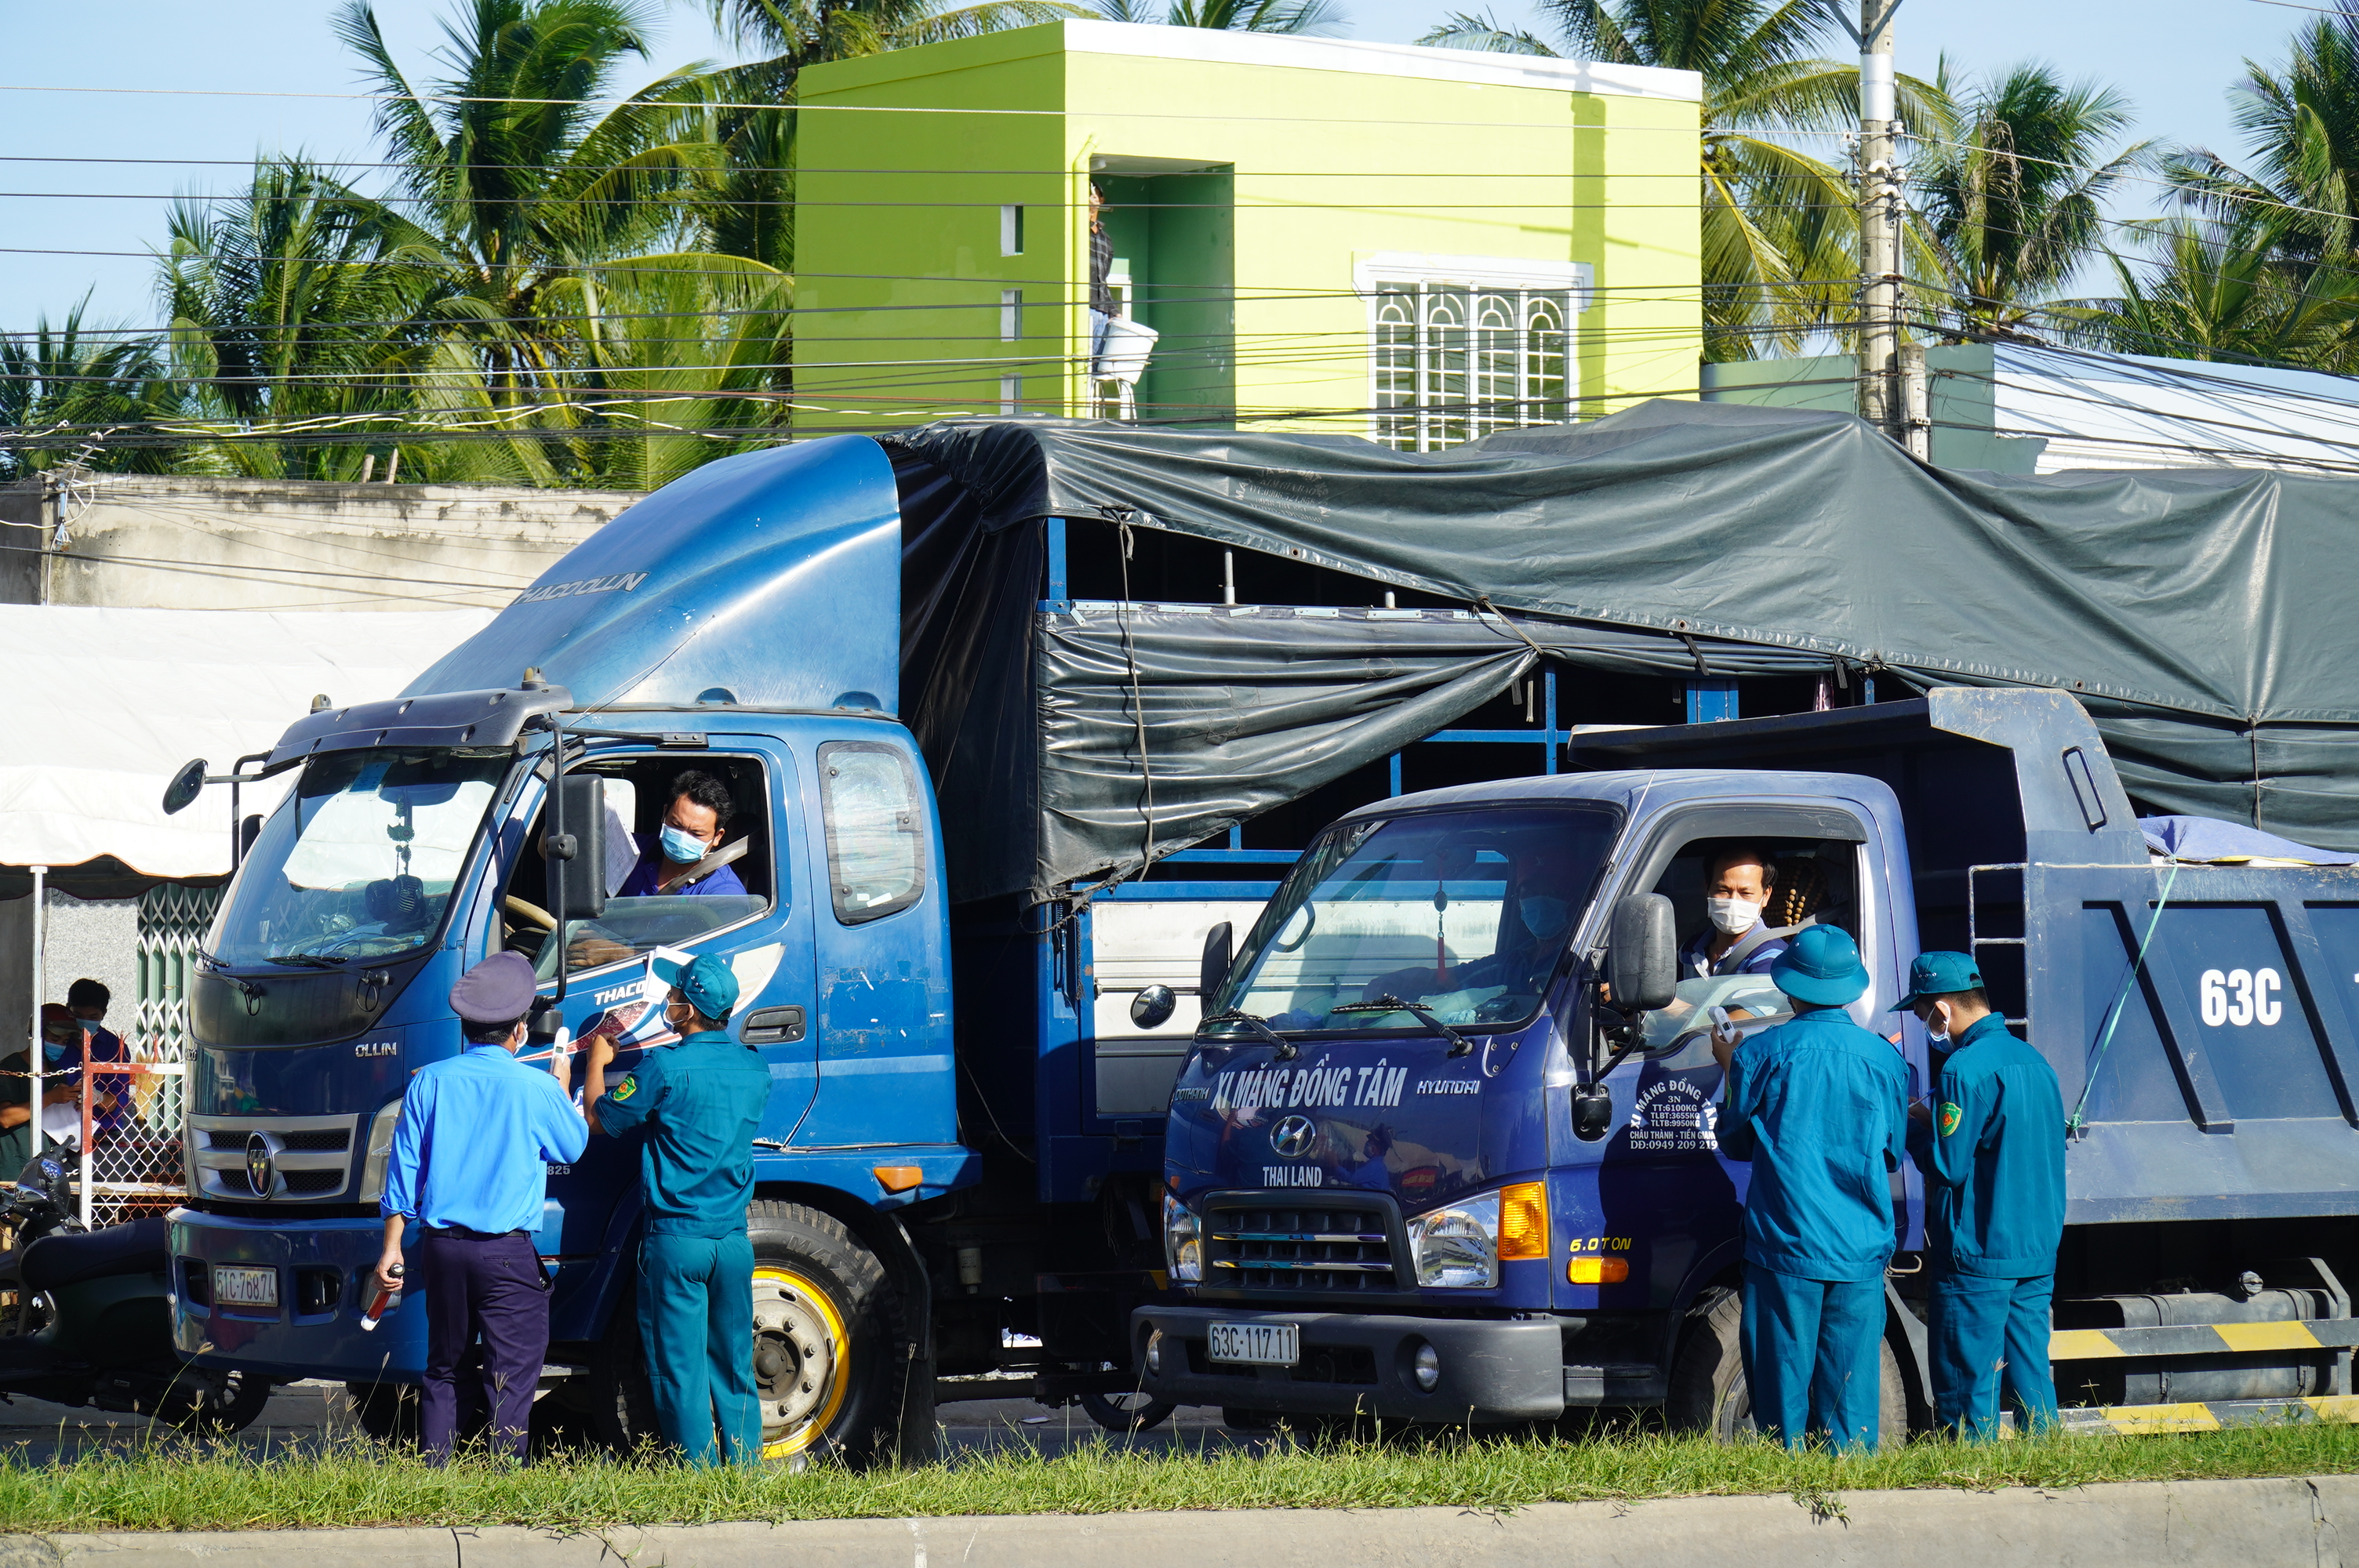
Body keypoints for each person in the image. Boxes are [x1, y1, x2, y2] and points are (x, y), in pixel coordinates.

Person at [374, 952, 587, 1462]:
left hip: (442, 1251)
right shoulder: (537, 1087)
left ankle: (435, 1471)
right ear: (519, 1030)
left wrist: (391, 1250)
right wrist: (561, 1083)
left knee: (443, 1366)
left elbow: (403, 1172)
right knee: (512, 1376)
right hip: (507, 1255)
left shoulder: (429, 1081)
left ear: (466, 1029)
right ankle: (502, 1477)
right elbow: (572, 1147)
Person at [1711, 923, 1907, 1451]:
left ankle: (1783, 1497)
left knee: (1779, 1408)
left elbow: (1733, 1140)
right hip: (1858, 1251)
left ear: (1790, 987)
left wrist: (1731, 1070)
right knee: (1853, 1408)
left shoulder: (1758, 1055)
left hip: (1785, 1248)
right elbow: (1890, 1152)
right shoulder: (1884, 1060)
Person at [578, 952, 770, 1465]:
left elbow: (601, 1120)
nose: (668, 1002)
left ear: (690, 1009)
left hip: (676, 1241)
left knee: (680, 1367)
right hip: (732, 1241)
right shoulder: (754, 1068)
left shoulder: (664, 1066)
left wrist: (597, 1062)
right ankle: (744, 1475)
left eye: (675, 996)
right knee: (734, 1364)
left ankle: (698, 1477)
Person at [1896, 952, 2065, 1439]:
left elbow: (1948, 1166)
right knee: (2032, 1375)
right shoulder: (2034, 1062)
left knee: (1967, 1384)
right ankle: (2047, 1468)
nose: (1925, 1023)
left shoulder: (1961, 1070)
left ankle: (1970, 1482)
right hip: (2034, 1248)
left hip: (1979, 1251)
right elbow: (2000, 1139)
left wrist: (1907, 1127)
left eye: (1923, 1012)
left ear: (1944, 1010)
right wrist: (1938, 1125)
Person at [615, 771, 747, 899]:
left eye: (696, 833)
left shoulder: (724, 893)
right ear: (665, 813)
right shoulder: (638, 849)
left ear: (717, 836)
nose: (683, 837)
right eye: (676, 825)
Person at [1680, 845, 1789, 978]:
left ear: (1766, 896)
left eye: (1746, 893)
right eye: (1723, 891)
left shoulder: (1772, 958)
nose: (1733, 901)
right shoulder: (1689, 949)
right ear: (1707, 889)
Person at [64, 980, 133, 1138]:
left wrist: (97, 1097)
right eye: (78, 1015)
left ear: (104, 1014)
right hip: (57, 1132)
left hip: (103, 1134)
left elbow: (119, 1102)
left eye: (93, 1016)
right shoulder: (56, 1041)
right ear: (68, 1010)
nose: (85, 1021)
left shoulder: (115, 1048)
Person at [1088, 183, 1114, 379]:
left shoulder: (1106, 239)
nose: (1093, 199)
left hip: (1102, 311)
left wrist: (1114, 311)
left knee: (1098, 368)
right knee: (1082, 365)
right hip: (1083, 308)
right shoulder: (1076, 232)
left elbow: (1102, 280)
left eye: (1096, 196)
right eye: (1088, 195)